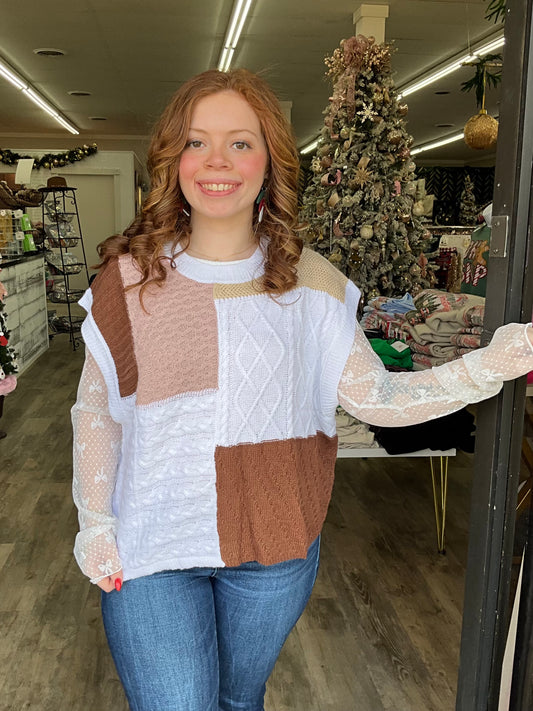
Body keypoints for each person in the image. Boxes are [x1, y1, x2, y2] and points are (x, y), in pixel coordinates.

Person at [71, 68, 533, 711]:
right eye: (197, 142)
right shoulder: (128, 279)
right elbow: (97, 410)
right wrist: (95, 521)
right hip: (149, 542)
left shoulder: (311, 281)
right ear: (172, 158)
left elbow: (379, 400)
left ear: (270, 161)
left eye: (241, 142)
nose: (217, 162)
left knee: (239, 699)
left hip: (273, 543)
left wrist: (492, 364)